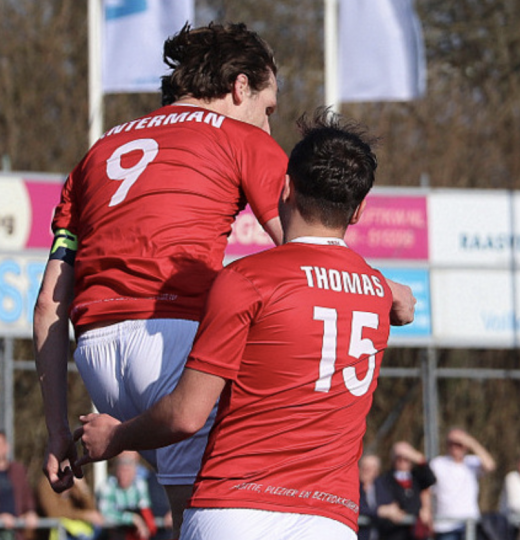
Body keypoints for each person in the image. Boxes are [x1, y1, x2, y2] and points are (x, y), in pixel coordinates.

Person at [33, 20, 414, 538]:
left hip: (96, 351)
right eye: (269, 108)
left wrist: (57, 428)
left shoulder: (96, 154)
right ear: (240, 87)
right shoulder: (240, 138)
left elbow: (48, 307)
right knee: (220, 505)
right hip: (171, 336)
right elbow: (312, 249)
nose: (269, 125)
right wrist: (386, 292)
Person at [73, 109, 395, 540]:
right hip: (329, 516)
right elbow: (390, 299)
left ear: (285, 188)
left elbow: (187, 414)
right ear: (358, 212)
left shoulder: (246, 279)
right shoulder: (378, 293)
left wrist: (116, 438)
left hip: (235, 508)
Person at [429, 428, 496, 540]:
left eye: (459, 444)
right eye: (451, 443)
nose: (455, 447)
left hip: (470, 525)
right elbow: (427, 491)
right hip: (446, 526)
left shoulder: (472, 462)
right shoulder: (437, 464)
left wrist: (471, 442)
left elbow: (490, 465)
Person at [376, 441, 436, 540]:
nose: (402, 461)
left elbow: (431, 479)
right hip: (393, 532)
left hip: (415, 533)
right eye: (398, 458)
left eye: (406, 458)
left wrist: (416, 457)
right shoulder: (385, 479)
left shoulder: (416, 477)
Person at [97, 452, 156, 540]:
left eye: (127, 470)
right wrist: (132, 519)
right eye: (122, 470)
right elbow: (105, 514)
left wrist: (146, 526)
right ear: (117, 470)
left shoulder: (140, 484)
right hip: (113, 532)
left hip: (134, 533)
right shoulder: (107, 485)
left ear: (134, 472)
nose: (123, 475)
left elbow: (145, 510)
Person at [37, 474, 104, 540]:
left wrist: (84, 489)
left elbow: (92, 510)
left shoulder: (75, 486)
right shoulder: (47, 483)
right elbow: (54, 513)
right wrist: (84, 515)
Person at [0, 431, 38, 540]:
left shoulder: (18, 471)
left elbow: (27, 497)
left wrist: (30, 512)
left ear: (7, 447)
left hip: (16, 531)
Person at [358, 454, 402, 540]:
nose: (366, 470)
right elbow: (356, 507)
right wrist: (379, 511)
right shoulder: (353, 487)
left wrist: (394, 510)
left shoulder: (382, 487)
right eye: (364, 467)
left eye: (371, 468)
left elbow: (390, 505)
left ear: (377, 471)